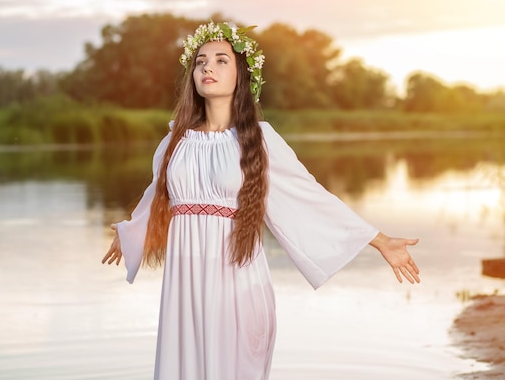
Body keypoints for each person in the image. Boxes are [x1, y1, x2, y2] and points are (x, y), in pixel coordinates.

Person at [102, 20, 420, 380]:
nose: (208, 67)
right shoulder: (175, 141)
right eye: (201, 60)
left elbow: (310, 195)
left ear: (242, 76)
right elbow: (156, 196)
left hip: (237, 281)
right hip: (185, 284)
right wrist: (129, 231)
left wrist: (378, 240)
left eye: (222, 60)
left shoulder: (259, 139)